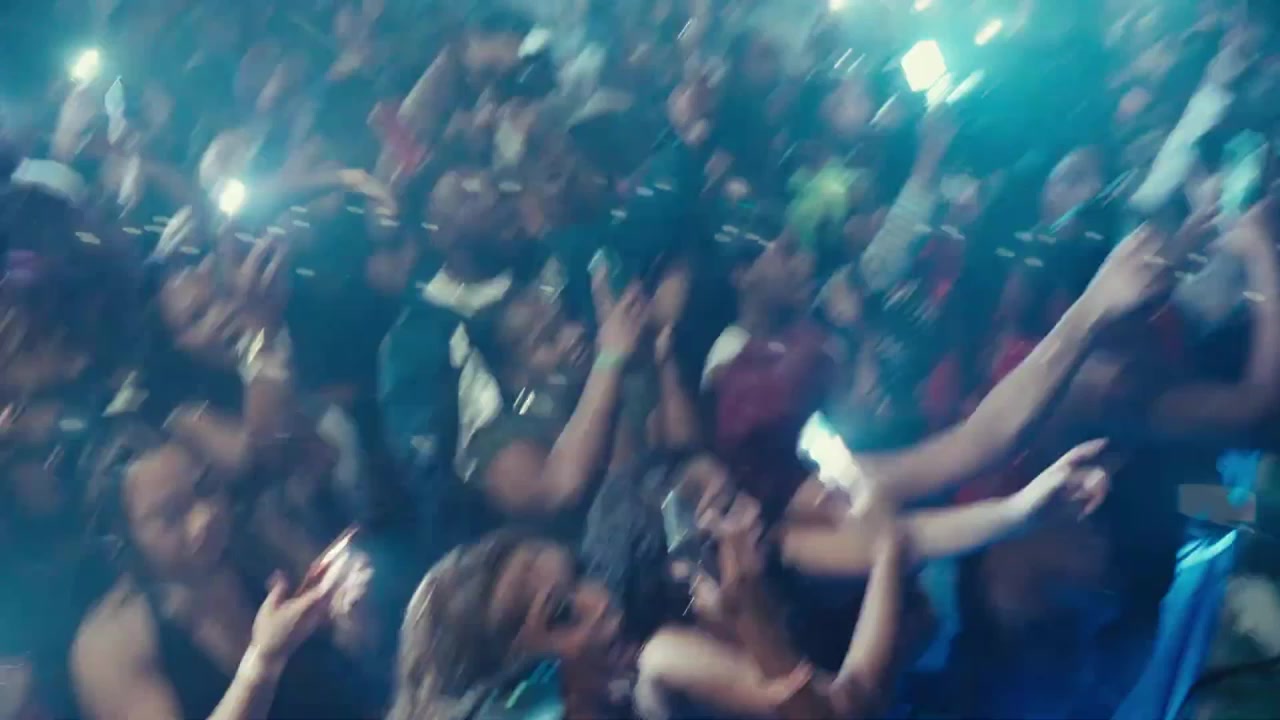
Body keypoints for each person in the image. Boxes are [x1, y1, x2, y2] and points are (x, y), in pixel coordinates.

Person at [70, 433, 374, 719]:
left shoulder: (264, 543)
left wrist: (350, 613)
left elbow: (354, 658)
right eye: (172, 515)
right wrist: (262, 664)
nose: (205, 516)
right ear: (123, 540)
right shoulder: (110, 645)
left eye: (205, 488)